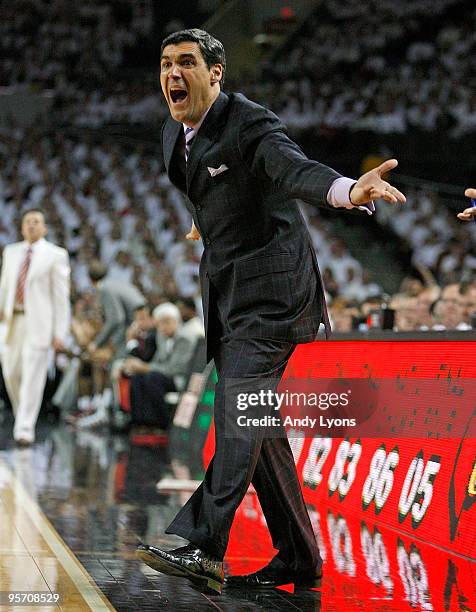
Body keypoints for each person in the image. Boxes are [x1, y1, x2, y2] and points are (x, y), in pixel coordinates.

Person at [136, 28, 406, 594]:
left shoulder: (249, 122)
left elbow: (293, 169)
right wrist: (205, 219)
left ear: (216, 74)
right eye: (165, 64)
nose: (172, 74)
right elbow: (207, 185)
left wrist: (349, 189)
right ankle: (300, 556)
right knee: (259, 424)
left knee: (240, 408)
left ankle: (206, 545)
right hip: (229, 292)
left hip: (276, 293)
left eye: (187, 63)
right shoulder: (172, 134)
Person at [0, 209, 70, 445]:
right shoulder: (10, 252)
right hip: (12, 321)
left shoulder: (55, 255)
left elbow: (61, 296)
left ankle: (24, 428)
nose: (31, 225)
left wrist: (60, 332)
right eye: (27, 222)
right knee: (11, 373)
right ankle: (23, 415)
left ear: (44, 228)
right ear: (21, 227)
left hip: (39, 324)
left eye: (36, 222)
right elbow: (5, 286)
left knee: (33, 376)